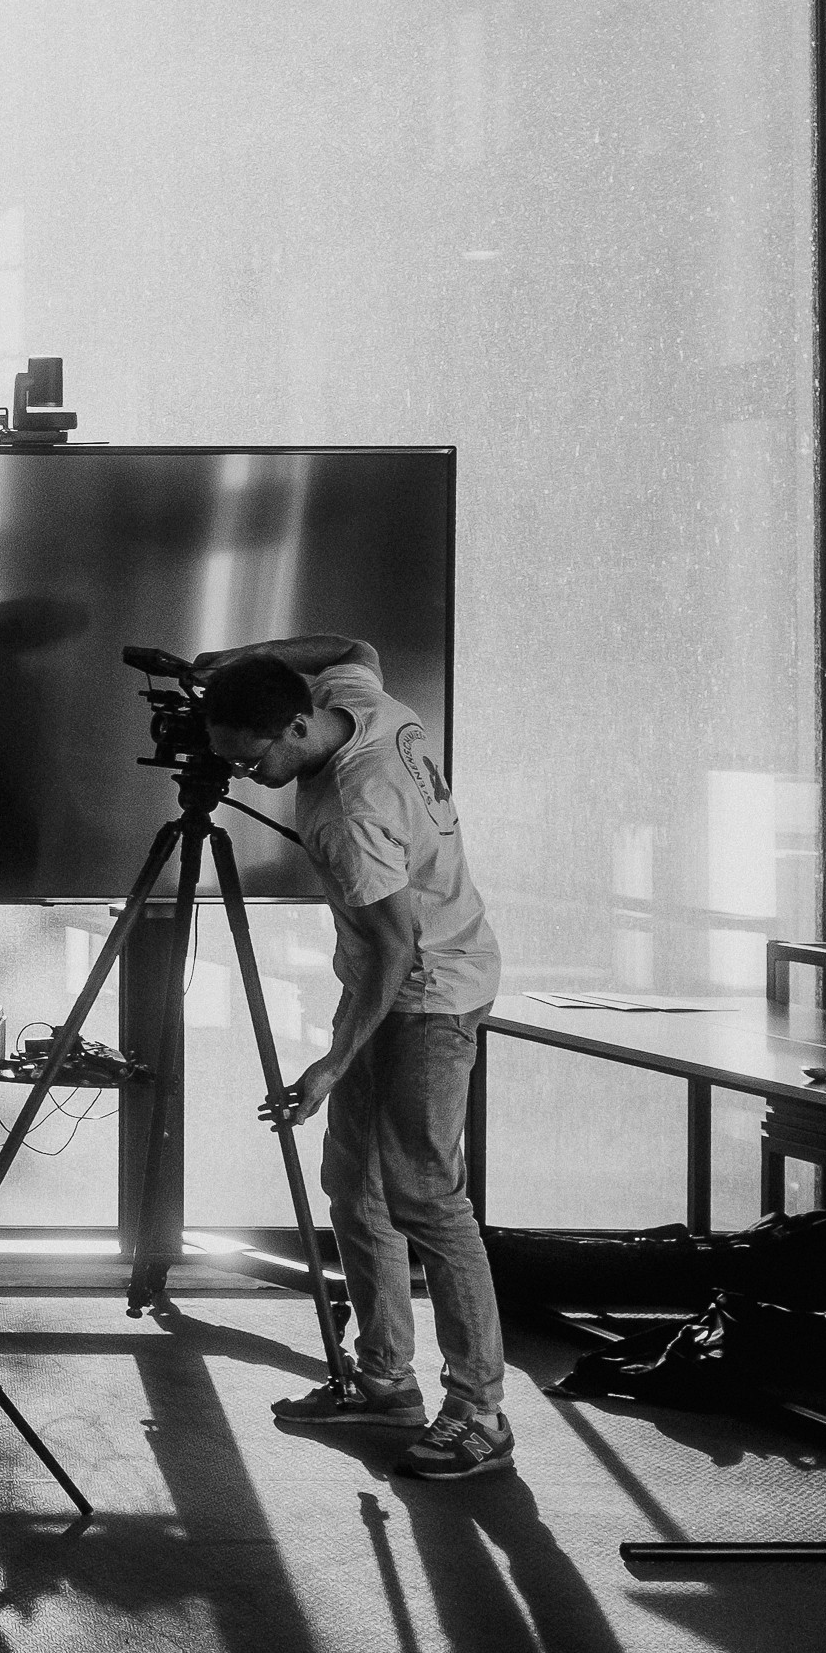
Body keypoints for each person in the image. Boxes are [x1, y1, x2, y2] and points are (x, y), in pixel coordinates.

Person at [200, 634, 514, 1482]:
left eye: (251, 759)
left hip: (430, 991)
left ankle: (480, 1408)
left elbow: (394, 948)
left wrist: (331, 1063)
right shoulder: (357, 700)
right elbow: (357, 643)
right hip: (401, 975)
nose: (241, 777)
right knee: (354, 1182)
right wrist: (228, 658)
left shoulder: (348, 810)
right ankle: (383, 1379)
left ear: (297, 726)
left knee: (423, 1192)